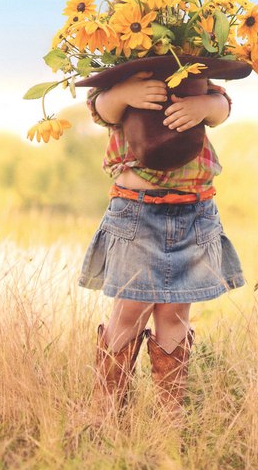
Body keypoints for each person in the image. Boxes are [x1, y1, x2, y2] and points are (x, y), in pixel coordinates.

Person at [78, 70, 245, 427]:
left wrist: (204, 105)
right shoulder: (126, 76)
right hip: (137, 211)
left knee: (174, 313)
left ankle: (170, 413)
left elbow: (222, 106)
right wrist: (125, 93)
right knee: (130, 309)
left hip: (193, 211)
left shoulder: (193, 75)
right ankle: (105, 409)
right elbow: (99, 108)